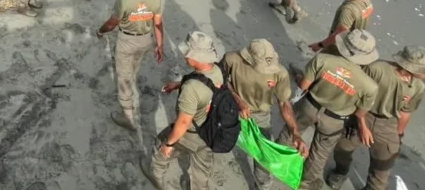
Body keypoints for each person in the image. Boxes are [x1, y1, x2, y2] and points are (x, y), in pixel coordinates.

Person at [327, 46, 425, 190]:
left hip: (388, 124)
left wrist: (399, 134)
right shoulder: (377, 69)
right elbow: (357, 97)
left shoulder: (418, 87)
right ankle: (341, 171)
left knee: (383, 165)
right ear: (412, 67)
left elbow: (406, 112)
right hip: (362, 115)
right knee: (342, 148)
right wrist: (362, 125)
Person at [276, 30, 379, 190]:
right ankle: (306, 182)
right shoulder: (370, 86)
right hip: (335, 120)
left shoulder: (323, 59)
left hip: (309, 105)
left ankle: (277, 161)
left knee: (291, 131)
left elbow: (304, 86)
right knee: (320, 153)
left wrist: (298, 78)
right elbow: (359, 113)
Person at [222, 39, 307, 187]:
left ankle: (263, 185)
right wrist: (238, 100)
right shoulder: (232, 59)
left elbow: (284, 103)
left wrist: (295, 132)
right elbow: (221, 80)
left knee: (263, 159)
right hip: (231, 107)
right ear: (248, 58)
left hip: (260, 115)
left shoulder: (280, 73)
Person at [146, 31, 224, 189]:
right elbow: (204, 85)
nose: (184, 56)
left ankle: (156, 174)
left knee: (161, 143)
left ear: (196, 57)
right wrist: (178, 84)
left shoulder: (191, 89)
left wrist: (168, 145)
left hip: (192, 133)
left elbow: (183, 122)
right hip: (210, 130)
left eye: (187, 53)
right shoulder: (217, 71)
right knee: (201, 169)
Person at [96, 0, 164, 131]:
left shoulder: (125, 0)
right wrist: (160, 45)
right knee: (134, 65)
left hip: (127, 41)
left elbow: (112, 23)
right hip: (145, 40)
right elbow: (158, 24)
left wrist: (100, 31)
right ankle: (130, 79)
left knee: (123, 78)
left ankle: (127, 116)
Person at [309, 0, 373, 53]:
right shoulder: (366, 1)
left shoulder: (348, 9)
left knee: (323, 61)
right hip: (355, 41)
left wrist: (320, 45)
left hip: (341, 45)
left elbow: (340, 33)